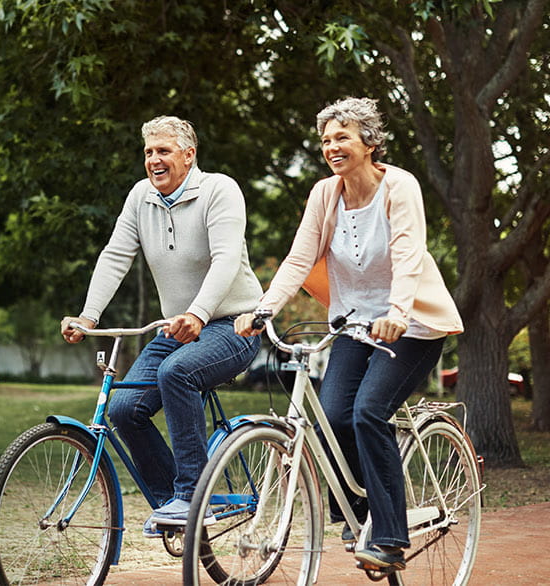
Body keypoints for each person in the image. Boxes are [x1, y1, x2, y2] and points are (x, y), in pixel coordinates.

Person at [234, 97, 462, 571]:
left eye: (342, 137)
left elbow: (408, 254)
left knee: (368, 412)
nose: (331, 147)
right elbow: (299, 258)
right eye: (325, 140)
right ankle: (359, 513)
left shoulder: (399, 186)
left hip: (411, 326)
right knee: (332, 418)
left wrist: (398, 312)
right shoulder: (325, 194)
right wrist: (263, 309)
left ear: (369, 142)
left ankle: (390, 536)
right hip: (355, 325)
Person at [60, 116, 262, 535]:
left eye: (164, 150)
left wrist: (199, 313)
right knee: (123, 407)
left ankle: (192, 497)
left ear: (189, 155)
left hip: (234, 326)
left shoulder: (219, 190)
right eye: (149, 151)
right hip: (177, 327)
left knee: (178, 373)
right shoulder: (141, 197)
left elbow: (226, 259)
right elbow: (116, 255)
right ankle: (173, 500)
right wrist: (88, 316)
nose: (154, 159)